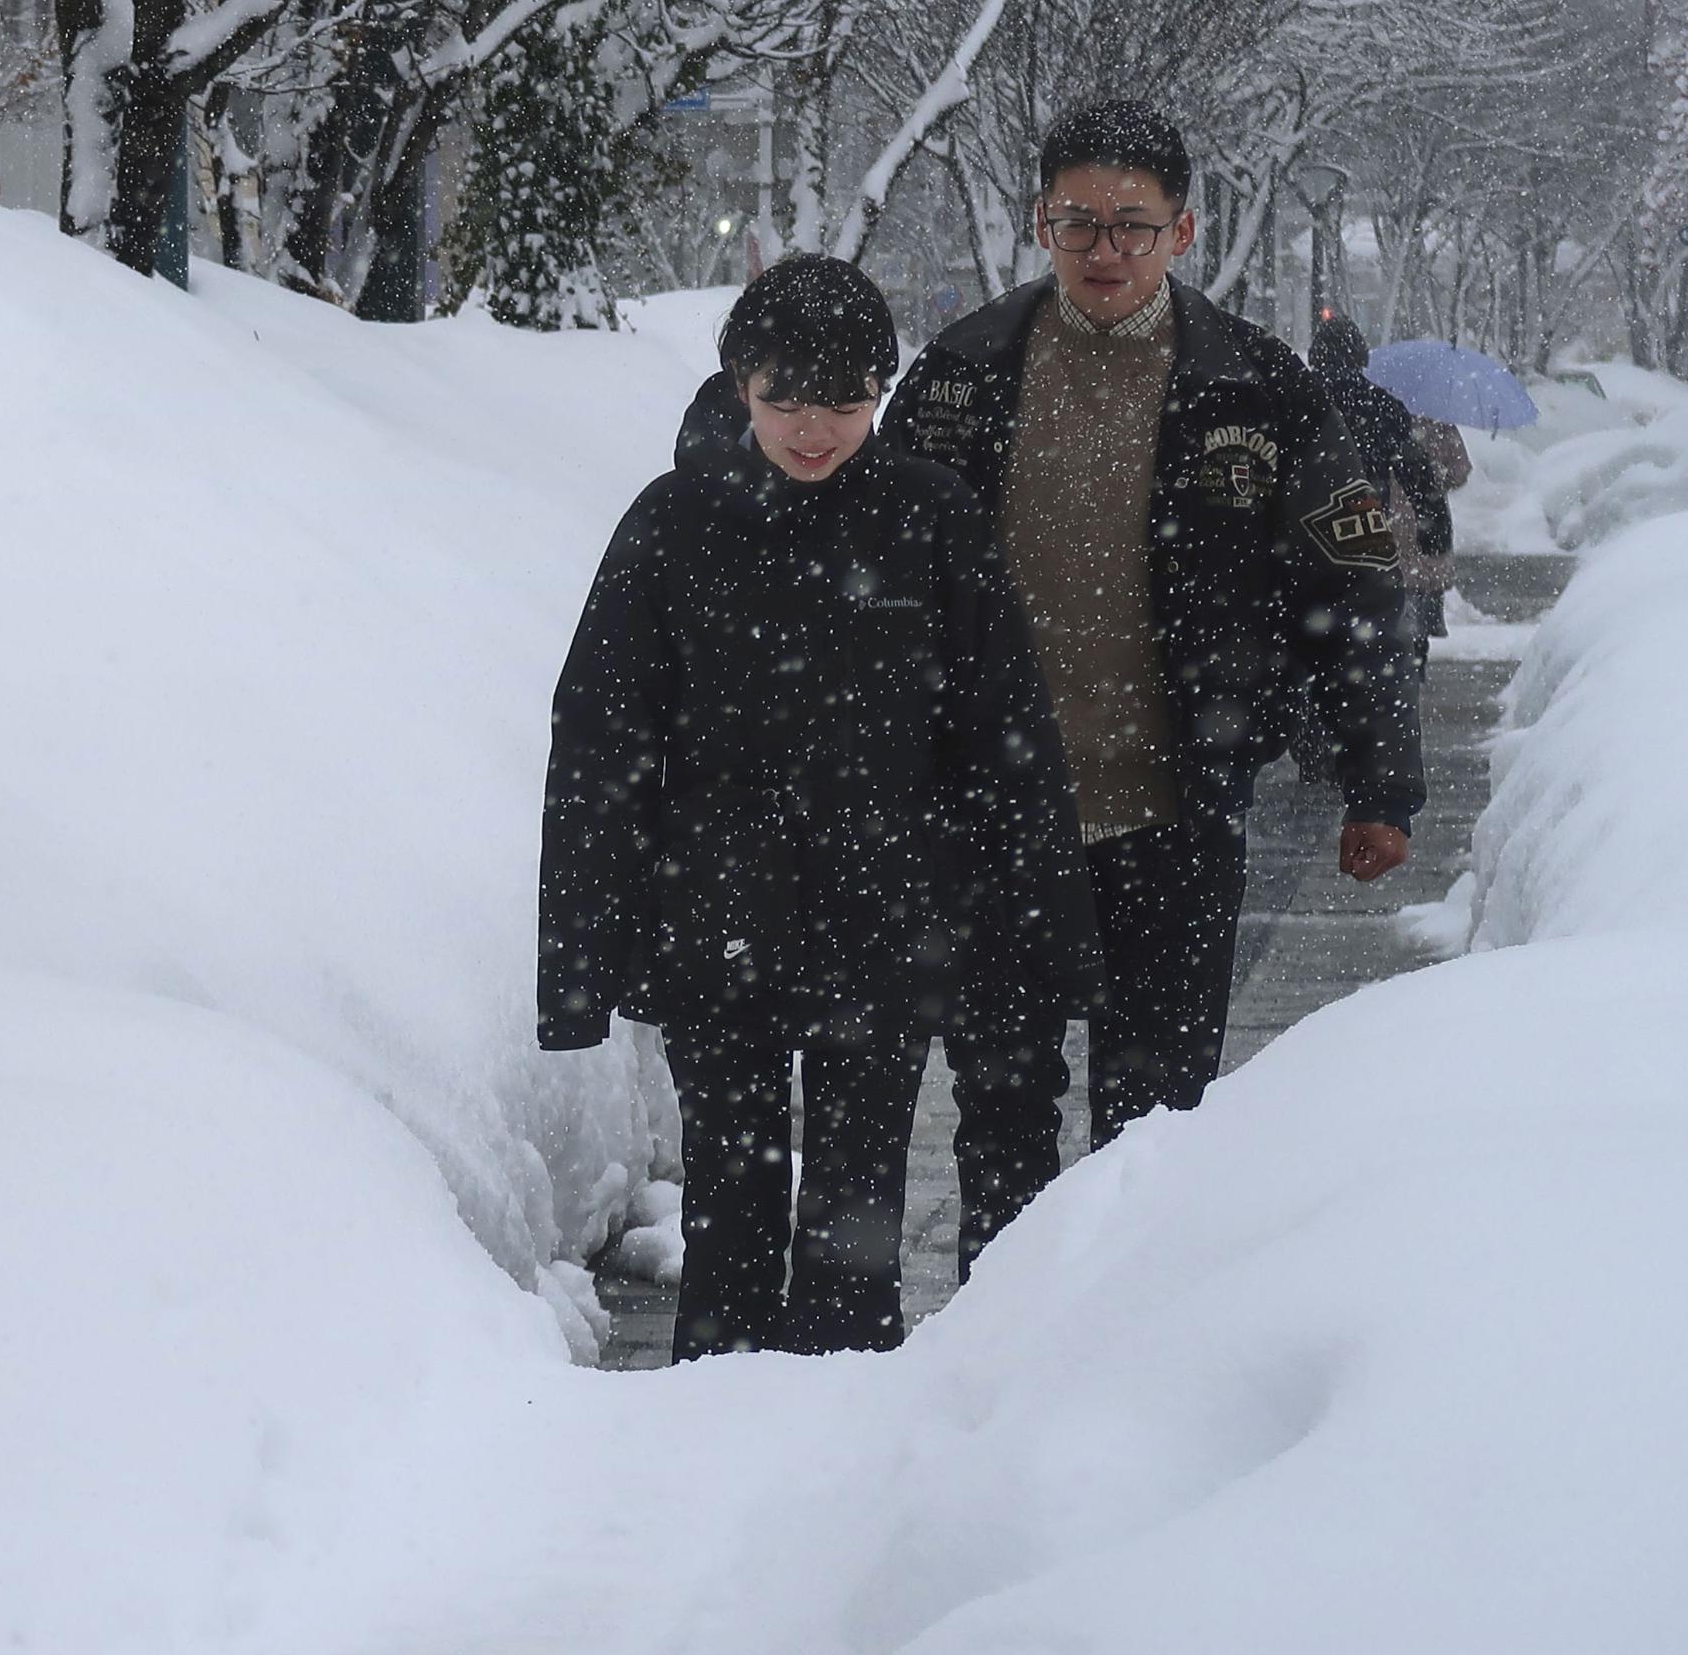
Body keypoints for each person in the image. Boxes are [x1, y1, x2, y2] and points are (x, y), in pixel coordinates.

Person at [881, 103, 1422, 1267]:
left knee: (1159, 1128)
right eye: (1078, 222)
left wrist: (1378, 781)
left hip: (1175, 810)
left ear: (1181, 232)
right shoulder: (957, 377)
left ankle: (1128, 1370)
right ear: (1040, 223)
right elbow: (875, 589)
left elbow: (1354, 586)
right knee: (1000, 1120)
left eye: (1132, 225)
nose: (1104, 250)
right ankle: (996, 1376)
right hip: (995, 818)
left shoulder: (1257, 389)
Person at [539, 256, 1100, 1359]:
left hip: (882, 924)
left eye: (842, 402)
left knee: (855, 1199)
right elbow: (599, 746)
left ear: (881, 392)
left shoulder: (929, 520)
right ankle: (717, 1403)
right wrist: (578, 965)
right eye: (784, 398)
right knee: (728, 1188)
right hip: (712, 920)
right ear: (737, 383)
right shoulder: (670, 527)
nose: (811, 429)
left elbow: (1003, 736)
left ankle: (842, 1417)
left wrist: (1041, 928)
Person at [1309, 314, 1460, 654]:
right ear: (1358, 354)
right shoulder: (1380, 405)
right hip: (1365, 529)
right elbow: (1417, 475)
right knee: (1373, 633)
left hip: (1302, 536)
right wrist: (1434, 530)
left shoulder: (1294, 399)